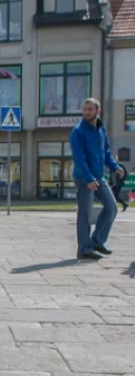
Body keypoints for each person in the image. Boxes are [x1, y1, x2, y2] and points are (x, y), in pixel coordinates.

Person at [70, 98, 124, 260]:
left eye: (90, 109)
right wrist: (88, 179)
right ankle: (84, 249)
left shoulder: (101, 129)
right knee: (85, 214)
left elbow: (106, 152)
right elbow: (79, 159)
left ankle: (97, 241)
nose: (87, 112)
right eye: (85, 109)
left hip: (99, 177)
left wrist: (115, 167)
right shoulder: (78, 131)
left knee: (111, 207)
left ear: (97, 111)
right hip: (84, 178)